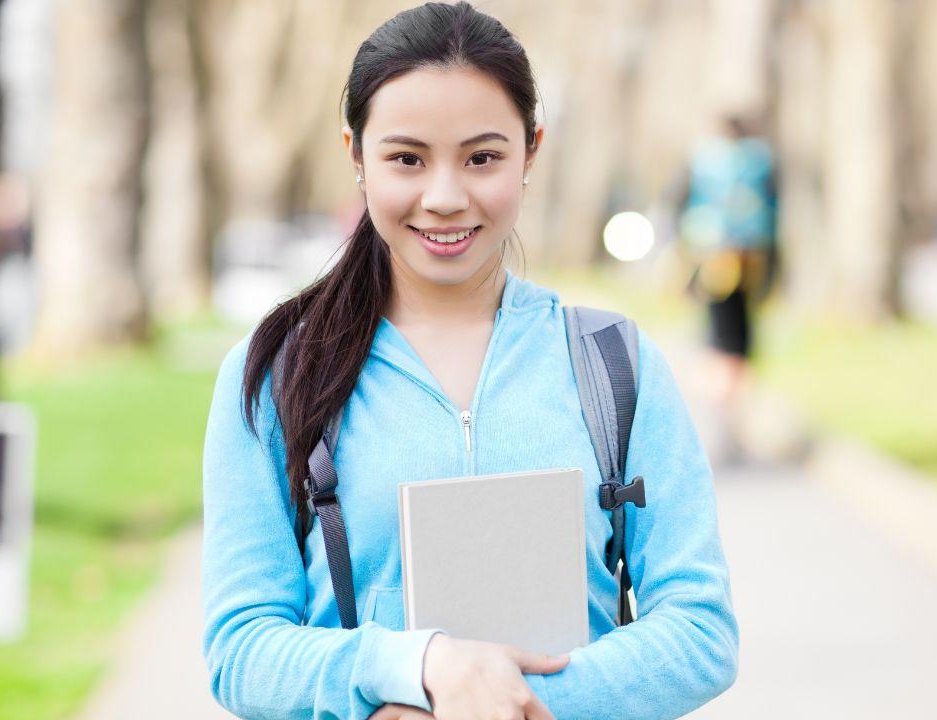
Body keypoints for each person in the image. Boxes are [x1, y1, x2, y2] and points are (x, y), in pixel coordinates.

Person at [200, 4, 738, 720]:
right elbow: (240, 648)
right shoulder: (276, 372)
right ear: (356, 155)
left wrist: (494, 703)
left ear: (531, 151)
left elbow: (701, 633)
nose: (445, 198)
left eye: (482, 157)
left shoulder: (615, 364)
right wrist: (413, 669)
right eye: (406, 158)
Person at [677, 115, 778, 459]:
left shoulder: (703, 162)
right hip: (749, 262)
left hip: (710, 261)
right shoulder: (760, 164)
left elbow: (681, 209)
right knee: (738, 344)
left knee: (714, 338)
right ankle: (728, 417)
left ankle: (716, 417)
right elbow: (773, 215)